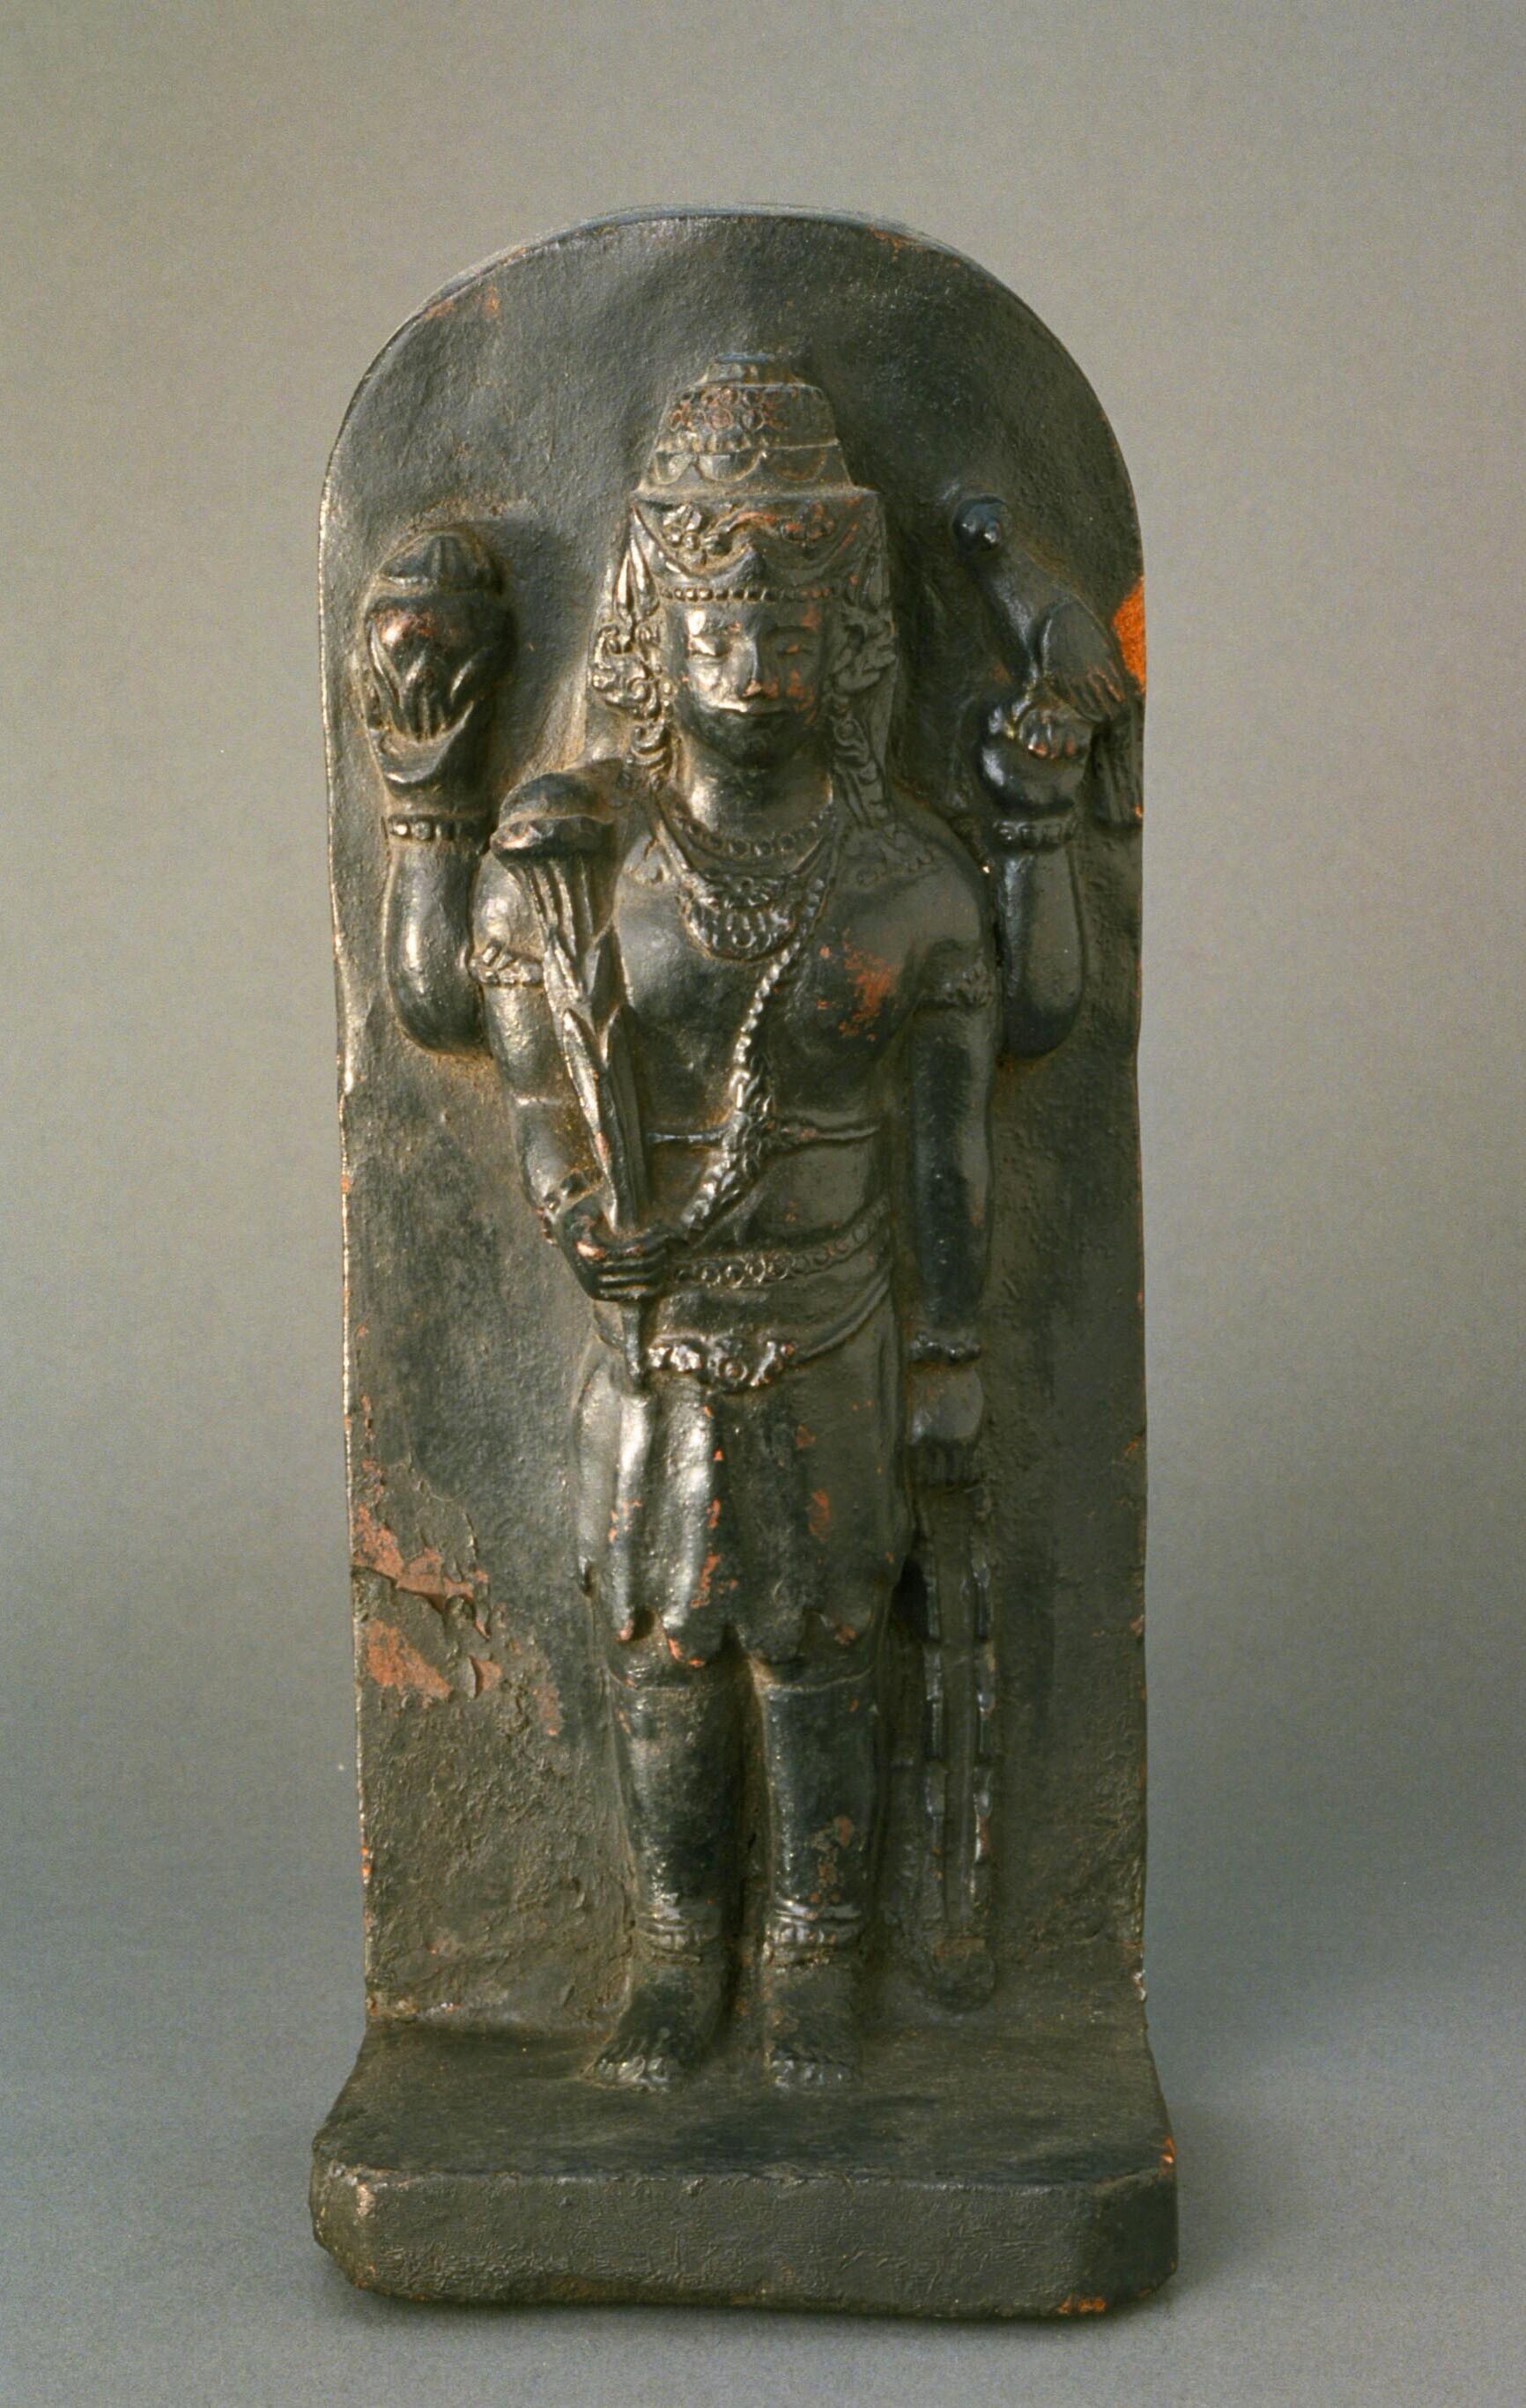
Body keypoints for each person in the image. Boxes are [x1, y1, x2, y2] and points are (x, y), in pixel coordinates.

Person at [470, 360, 996, 2087]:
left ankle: (813, 1955)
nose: (753, 654)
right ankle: (674, 1947)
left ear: (850, 638)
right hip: (658, 1342)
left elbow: (949, 1151)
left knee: (823, 1648)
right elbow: (524, 1075)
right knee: (664, 1653)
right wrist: (574, 1200)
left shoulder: (909, 885)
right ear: (656, 634)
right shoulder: (590, 876)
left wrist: (949, 1354)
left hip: (833, 1322)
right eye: (717, 615)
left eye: (790, 616)